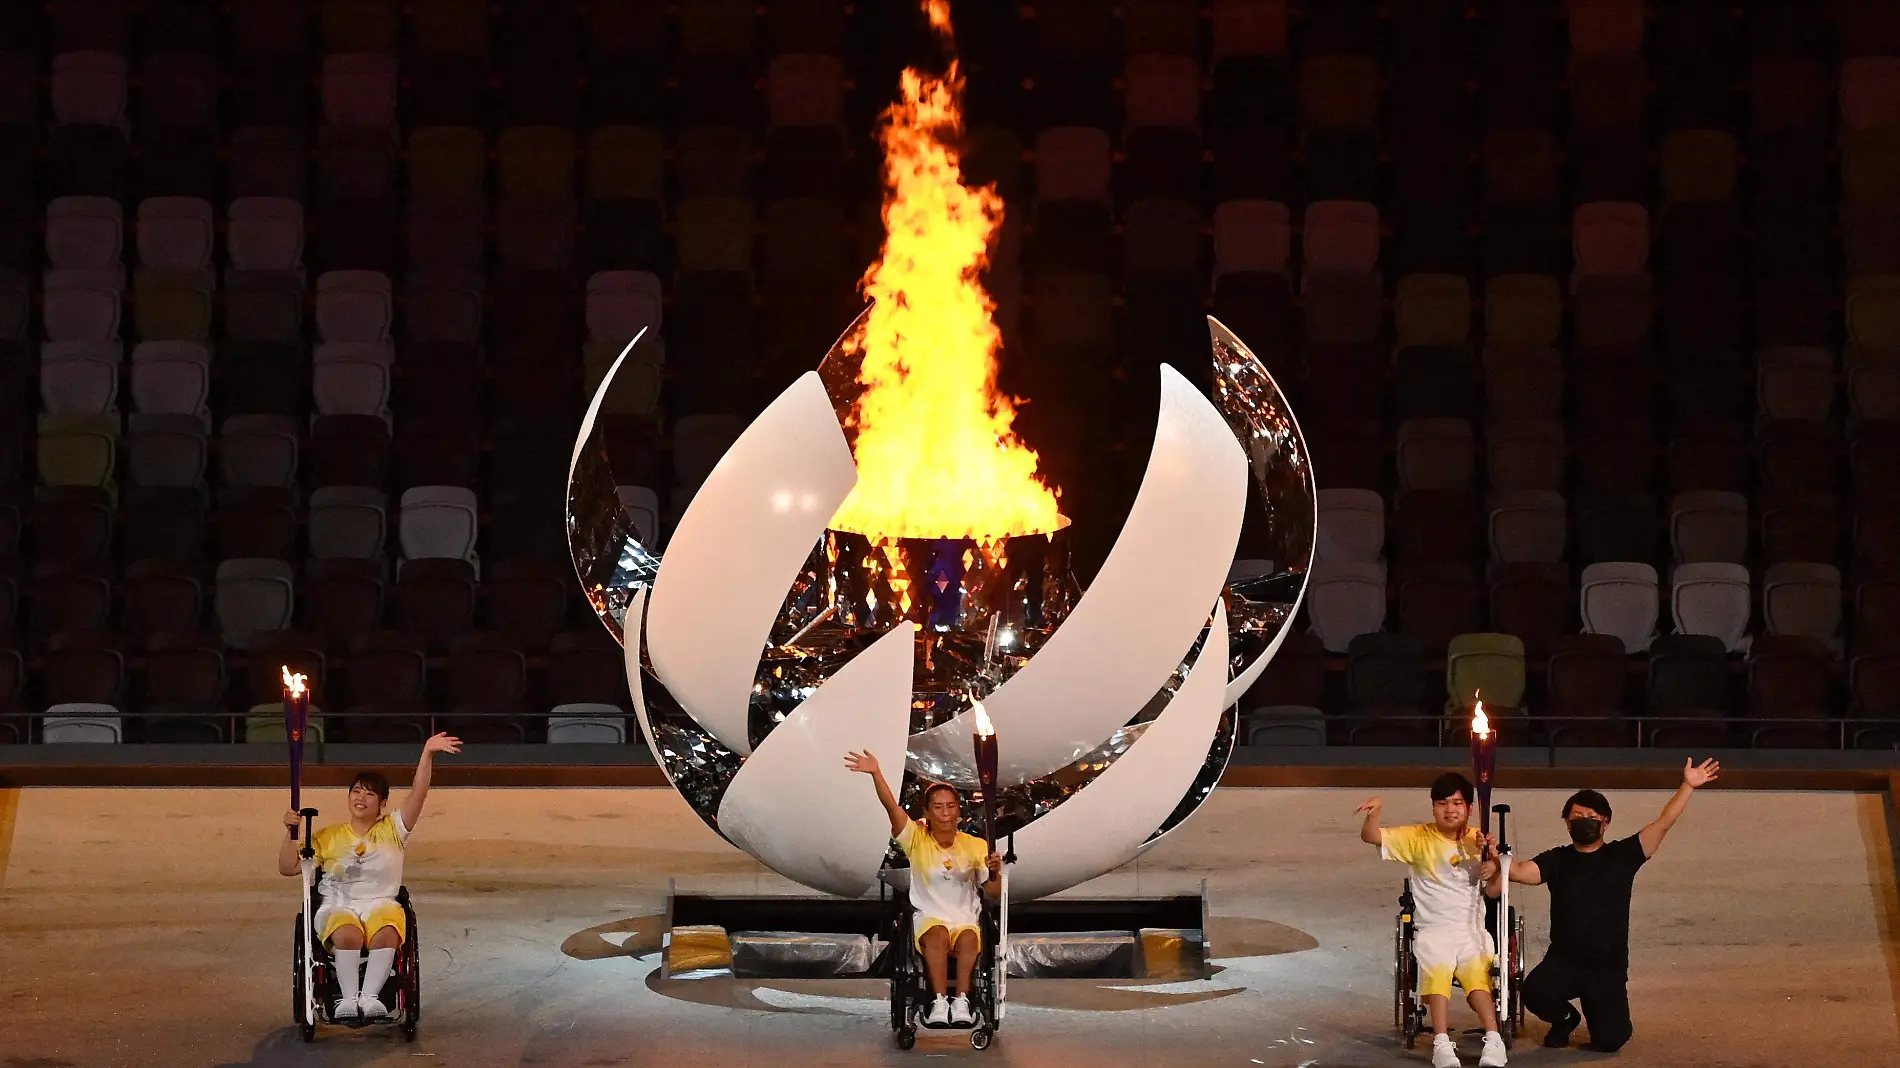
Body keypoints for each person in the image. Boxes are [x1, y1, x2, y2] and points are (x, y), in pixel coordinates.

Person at [1506, 757, 1720, 1052]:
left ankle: (1601, 1016)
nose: (1585, 820)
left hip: (1607, 967)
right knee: (1534, 992)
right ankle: (1565, 1019)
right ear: (1567, 822)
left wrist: (1688, 785)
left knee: (1611, 1040)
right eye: (1577, 815)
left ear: (1606, 822)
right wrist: (1497, 859)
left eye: (1593, 816)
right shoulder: (1557, 859)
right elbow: (1519, 871)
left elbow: (1663, 823)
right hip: (1564, 961)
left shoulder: (1624, 855)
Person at [278, 733, 461, 1021]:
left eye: (370, 794)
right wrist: (291, 834)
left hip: (380, 904)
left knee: (387, 931)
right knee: (349, 934)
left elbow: (418, 793)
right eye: (356, 791)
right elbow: (287, 868)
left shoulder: (394, 829)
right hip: (338, 905)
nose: (360, 798)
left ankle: (371, 998)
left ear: (382, 803)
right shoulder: (327, 836)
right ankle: (348, 1001)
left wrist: (427, 753)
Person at [1357, 773, 1508, 1068]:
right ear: (1433, 807)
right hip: (1432, 929)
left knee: (1477, 972)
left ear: (1470, 808)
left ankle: (1494, 1038)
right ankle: (1441, 1042)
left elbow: (1494, 891)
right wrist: (1375, 812)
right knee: (1437, 967)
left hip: (1471, 930)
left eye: (1457, 803)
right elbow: (1371, 836)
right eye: (1442, 803)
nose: (1450, 809)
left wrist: (1495, 865)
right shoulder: (1417, 837)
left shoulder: (1482, 841)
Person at [844, 748, 1002, 1028]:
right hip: (929, 916)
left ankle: (962, 1001)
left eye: (950, 805)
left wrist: (994, 871)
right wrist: (876, 773)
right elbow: (891, 807)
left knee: (968, 938)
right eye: (938, 806)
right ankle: (939, 1001)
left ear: (958, 810)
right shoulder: (916, 838)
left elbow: (992, 893)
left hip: (965, 916)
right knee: (938, 934)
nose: (945, 812)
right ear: (927, 812)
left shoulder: (977, 846)